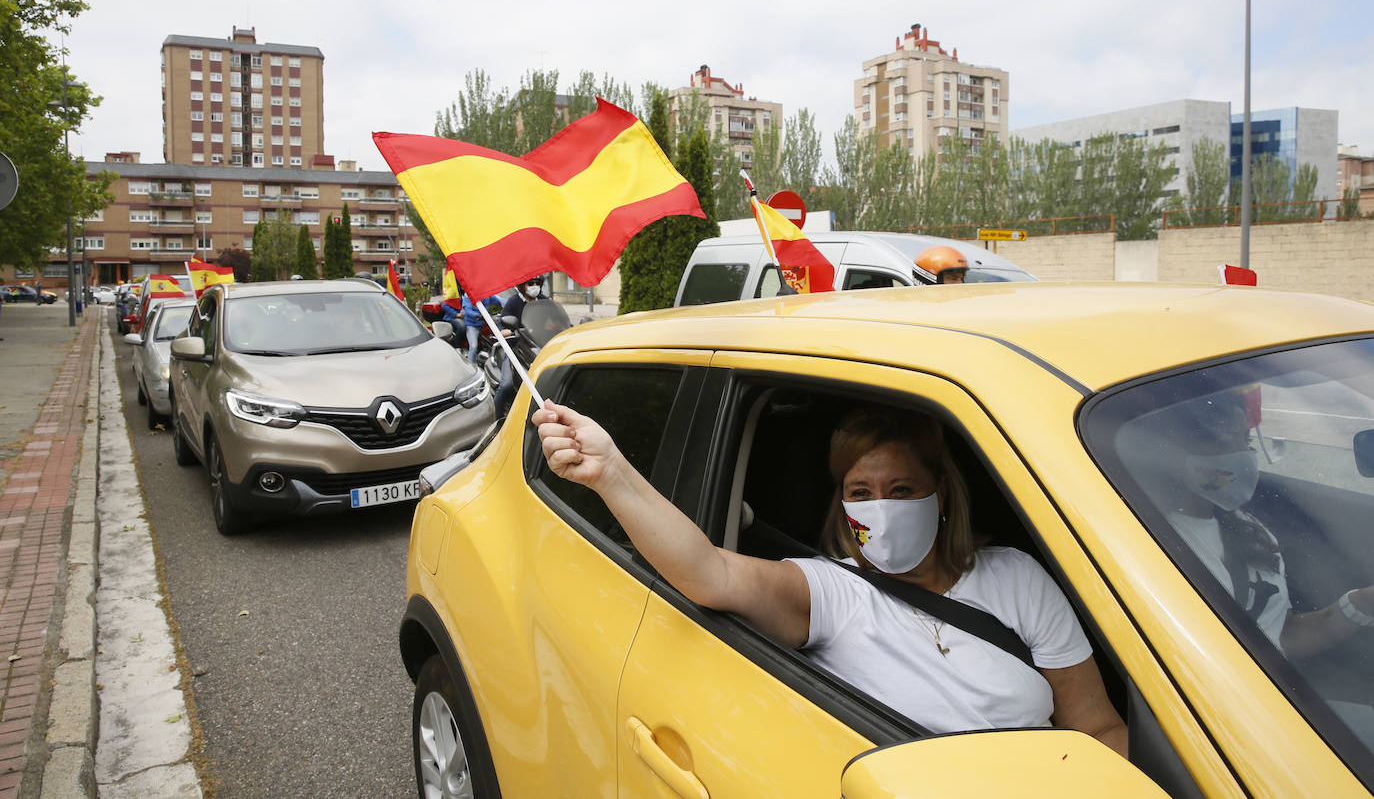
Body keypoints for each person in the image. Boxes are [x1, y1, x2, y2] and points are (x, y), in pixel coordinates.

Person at [533, 400, 1128, 754]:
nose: (882, 508)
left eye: (902, 490)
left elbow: (1098, 727)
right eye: (860, 493)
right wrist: (610, 472)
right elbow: (710, 573)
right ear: (842, 504)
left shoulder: (1017, 577)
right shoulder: (833, 592)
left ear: (940, 494)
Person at [1149, 392, 1374, 660]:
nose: (1243, 455)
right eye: (1225, 441)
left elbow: (1281, 636)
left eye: (1245, 440)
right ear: (1179, 452)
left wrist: (1363, 603)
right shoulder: (1160, 546)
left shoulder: (1248, 527)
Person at [493, 277, 547, 416]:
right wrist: (503, 330)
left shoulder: (543, 300)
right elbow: (502, 320)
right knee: (506, 385)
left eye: (537, 284)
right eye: (531, 284)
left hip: (540, 346)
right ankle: (495, 417)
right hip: (515, 348)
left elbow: (555, 317)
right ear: (523, 286)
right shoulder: (513, 302)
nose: (534, 286)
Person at [460, 292, 502, 365]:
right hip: (472, 324)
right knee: (473, 346)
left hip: (485, 323)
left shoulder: (487, 294)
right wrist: (478, 315)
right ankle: (471, 366)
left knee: (499, 341)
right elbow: (468, 310)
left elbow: (499, 302)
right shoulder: (468, 296)